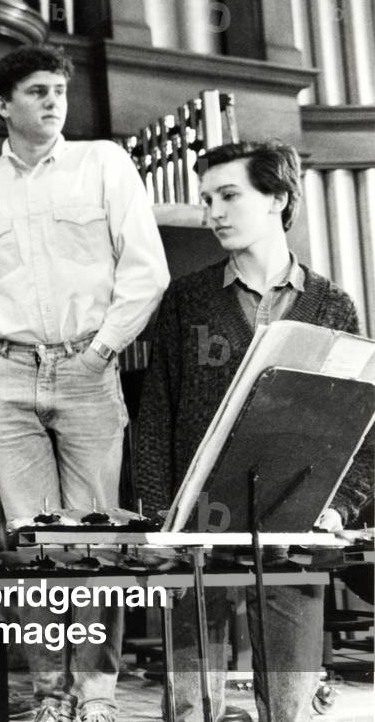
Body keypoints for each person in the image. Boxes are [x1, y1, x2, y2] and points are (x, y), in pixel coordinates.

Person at [0, 44, 170, 722]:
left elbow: (145, 269)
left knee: (93, 539)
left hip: (87, 370)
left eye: (58, 90)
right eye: (36, 91)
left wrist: (102, 349)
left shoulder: (105, 163)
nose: (52, 100)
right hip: (5, 377)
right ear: (3, 104)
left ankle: (96, 695)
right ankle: (49, 693)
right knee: (33, 540)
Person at [136, 140, 374, 722]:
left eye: (228, 195)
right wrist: (159, 518)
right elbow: (155, 418)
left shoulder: (332, 306)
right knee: (191, 707)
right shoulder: (186, 300)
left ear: (278, 198)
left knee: (287, 709)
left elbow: (360, 432)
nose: (212, 211)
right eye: (206, 199)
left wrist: (338, 507)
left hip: (294, 525)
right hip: (197, 524)